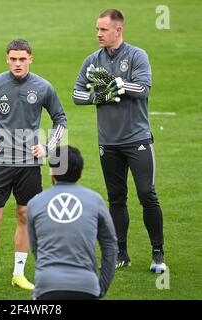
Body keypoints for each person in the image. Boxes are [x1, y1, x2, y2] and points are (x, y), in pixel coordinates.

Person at [0, 39, 67, 294]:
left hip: (29, 165)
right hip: (0, 164)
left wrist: (46, 148)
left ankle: (18, 274)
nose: (18, 63)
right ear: (7, 59)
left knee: (25, 216)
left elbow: (60, 119)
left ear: (31, 58)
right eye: (13, 59)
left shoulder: (43, 87)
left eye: (22, 59)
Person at [72, 9, 166, 273]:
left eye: (103, 29)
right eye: (97, 29)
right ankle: (121, 253)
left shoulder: (137, 55)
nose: (98, 34)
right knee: (116, 198)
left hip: (137, 139)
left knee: (147, 194)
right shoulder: (92, 61)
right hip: (108, 141)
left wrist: (115, 84)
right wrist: (97, 98)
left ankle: (157, 252)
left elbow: (143, 88)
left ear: (118, 30)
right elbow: (77, 94)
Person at [27, 145, 117, 300]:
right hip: (87, 286)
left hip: (47, 286)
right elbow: (110, 244)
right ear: (80, 173)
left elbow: (36, 248)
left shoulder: (35, 203)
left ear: (52, 173)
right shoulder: (95, 200)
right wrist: (100, 286)